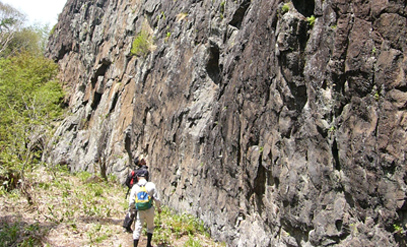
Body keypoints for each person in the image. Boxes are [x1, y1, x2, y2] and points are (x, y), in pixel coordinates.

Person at [129, 169, 161, 247]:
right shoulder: (151, 185)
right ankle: (148, 244)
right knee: (150, 226)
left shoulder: (135, 187)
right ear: (146, 176)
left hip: (139, 210)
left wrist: (131, 211)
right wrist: (158, 208)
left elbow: (131, 202)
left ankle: (135, 245)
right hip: (149, 209)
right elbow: (157, 199)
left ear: (138, 177)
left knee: (138, 228)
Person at [123, 158, 149, 233]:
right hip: (142, 192)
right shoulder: (145, 171)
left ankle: (126, 226)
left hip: (134, 191)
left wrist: (132, 187)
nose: (145, 160)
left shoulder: (135, 171)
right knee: (140, 208)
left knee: (132, 209)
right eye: (143, 159)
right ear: (140, 162)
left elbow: (127, 181)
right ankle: (135, 227)